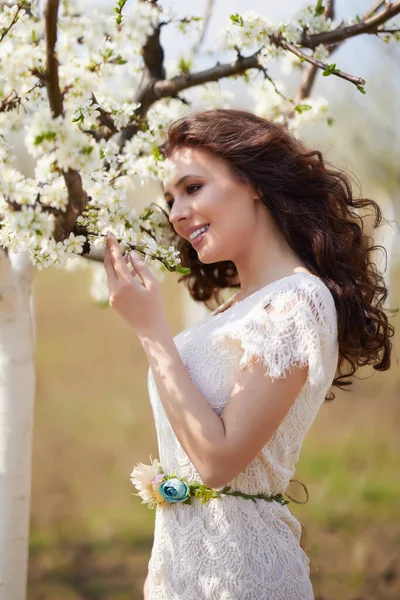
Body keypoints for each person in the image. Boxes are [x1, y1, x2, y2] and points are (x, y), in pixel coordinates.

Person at [103, 109, 396, 600]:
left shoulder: (297, 302)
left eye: (192, 188)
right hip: (182, 574)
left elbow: (218, 462)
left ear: (253, 182)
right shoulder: (233, 310)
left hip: (244, 578)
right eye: (170, 199)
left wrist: (152, 331)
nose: (176, 213)